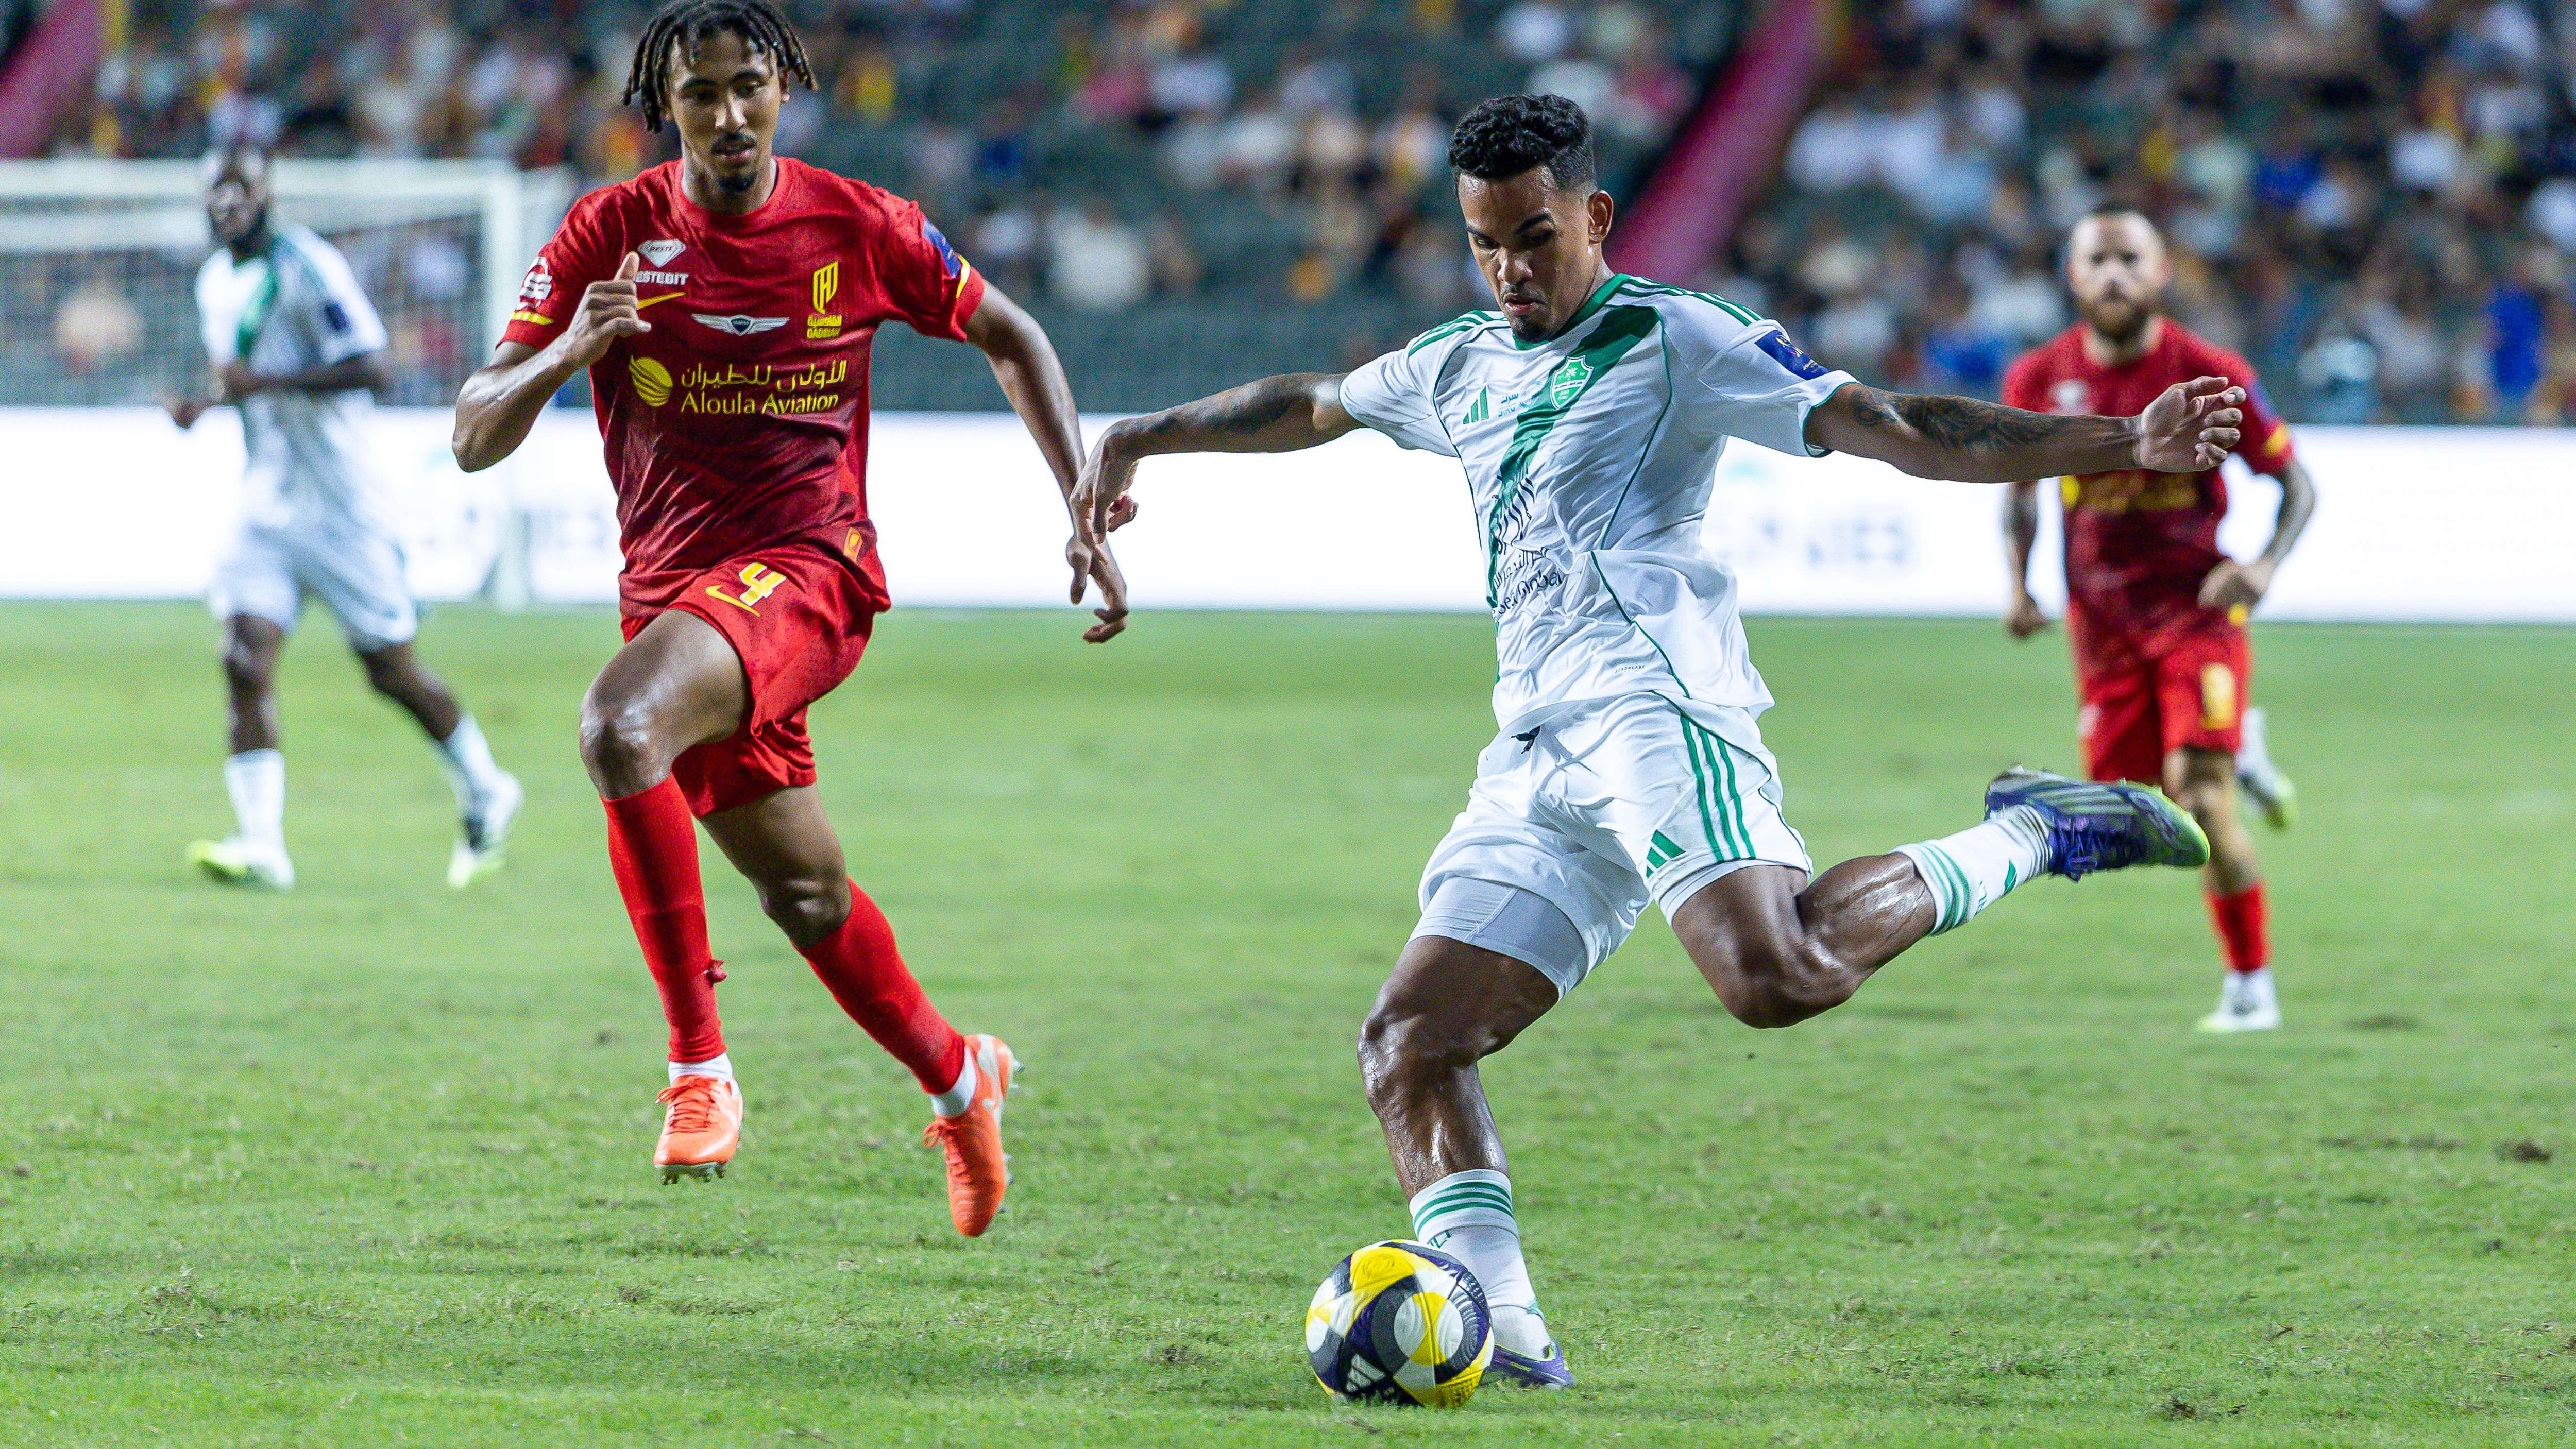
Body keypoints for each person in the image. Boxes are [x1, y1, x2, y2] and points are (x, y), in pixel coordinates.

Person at [1074, 95, 2238, 1386]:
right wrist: (1139, 435)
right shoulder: (1456, 359)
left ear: (1593, 216)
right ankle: (1509, 1337)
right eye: (1484, 245)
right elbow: (1309, 404)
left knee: (1775, 976)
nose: (1512, 270)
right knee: (1408, 1045)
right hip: (1533, 748)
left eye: (1533, 236)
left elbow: (1899, 429)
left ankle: (2032, 830)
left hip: (1656, 708)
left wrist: (2122, 440)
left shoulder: (1681, 339)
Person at [449, 0, 1128, 1233]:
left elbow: (1011, 334)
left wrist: (1079, 496)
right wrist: (562, 356)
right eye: (700, 94)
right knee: (806, 896)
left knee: (616, 729)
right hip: (680, 602)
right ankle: (958, 1072)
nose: (728, 115)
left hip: (812, 573)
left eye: (748, 85)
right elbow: (470, 435)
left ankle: (698, 1070)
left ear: (785, 88)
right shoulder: (609, 233)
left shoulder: (857, 223)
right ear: (669, 110)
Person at [169, 143, 521, 893]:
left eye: (241, 190)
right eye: (217, 193)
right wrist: (206, 403)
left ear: (267, 193)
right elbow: (240, 376)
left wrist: (266, 381)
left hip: (343, 506)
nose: (229, 204)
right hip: (266, 499)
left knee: (390, 671)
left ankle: (486, 785)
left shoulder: (309, 267)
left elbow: (373, 365)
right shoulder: (213, 282)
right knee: (242, 658)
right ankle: (263, 844)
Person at [2001, 207, 2317, 1034]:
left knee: (2200, 796)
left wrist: (2262, 565)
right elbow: (2020, 494)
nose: (2113, 274)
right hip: (2102, 623)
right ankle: (2239, 743)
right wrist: (2021, 589)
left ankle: (2252, 988)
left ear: (2161, 271)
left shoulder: (2210, 372)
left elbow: (2300, 485)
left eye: (2129, 259)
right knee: (2131, 800)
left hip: (2196, 612)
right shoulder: (2040, 379)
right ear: (2072, 276)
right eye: (2096, 259)